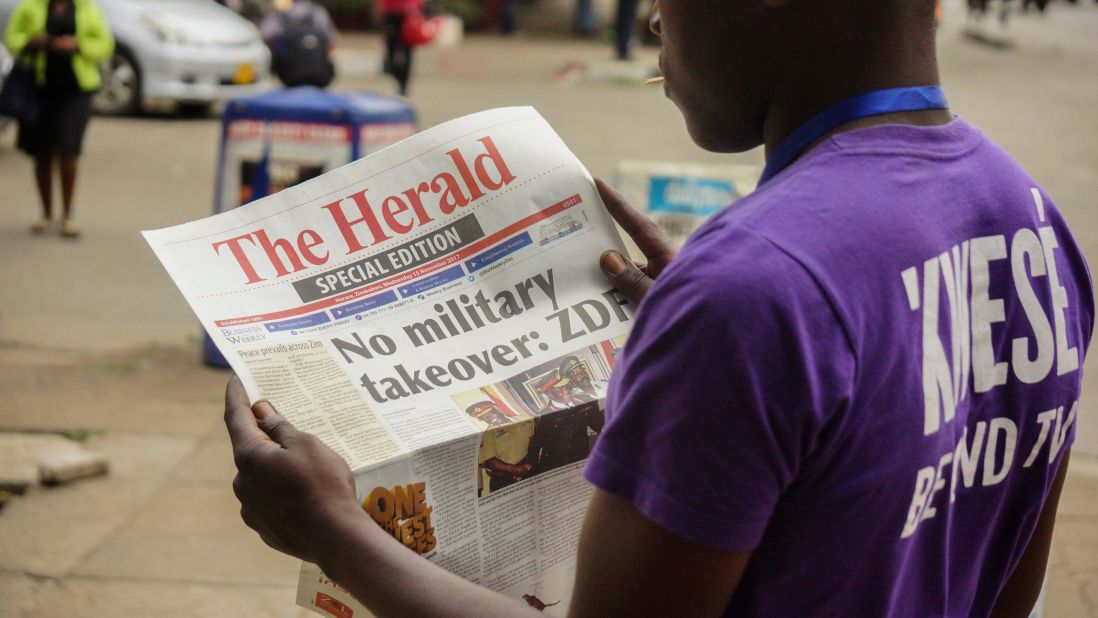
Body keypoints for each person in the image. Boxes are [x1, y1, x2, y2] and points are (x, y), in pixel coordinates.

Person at [224, 0, 1092, 615]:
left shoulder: (752, 293)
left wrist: (333, 531)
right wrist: (726, 331)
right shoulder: (1030, 218)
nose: (652, 22)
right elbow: (1001, 587)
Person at [4, 0, 113, 238]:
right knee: (42, 152)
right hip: (39, 88)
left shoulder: (87, 8)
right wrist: (34, 41)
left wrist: (78, 46)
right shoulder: (30, 6)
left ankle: (68, 215)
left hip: (76, 90)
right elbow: (11, 38)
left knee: (69, 149)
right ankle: (45, 213)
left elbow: (105, 45)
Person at [260, 0, 338, 88]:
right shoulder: (318, 11)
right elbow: (332, 41)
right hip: (320, 76)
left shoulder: (281, 12)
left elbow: (266, 35)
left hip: (289, 76)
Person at [477, 418, 535, 495]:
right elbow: (489, 461)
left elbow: (532, 439)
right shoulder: (487, 428)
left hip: (526, 470)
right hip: (503, 479)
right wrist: (514, 469)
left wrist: (529, 463)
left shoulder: (524, 415)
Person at [376, 0, 422, 96]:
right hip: (391, 15)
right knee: (391, 49)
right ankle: (396, 75)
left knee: (407, 52)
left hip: (408, 15)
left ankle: (404, 84)